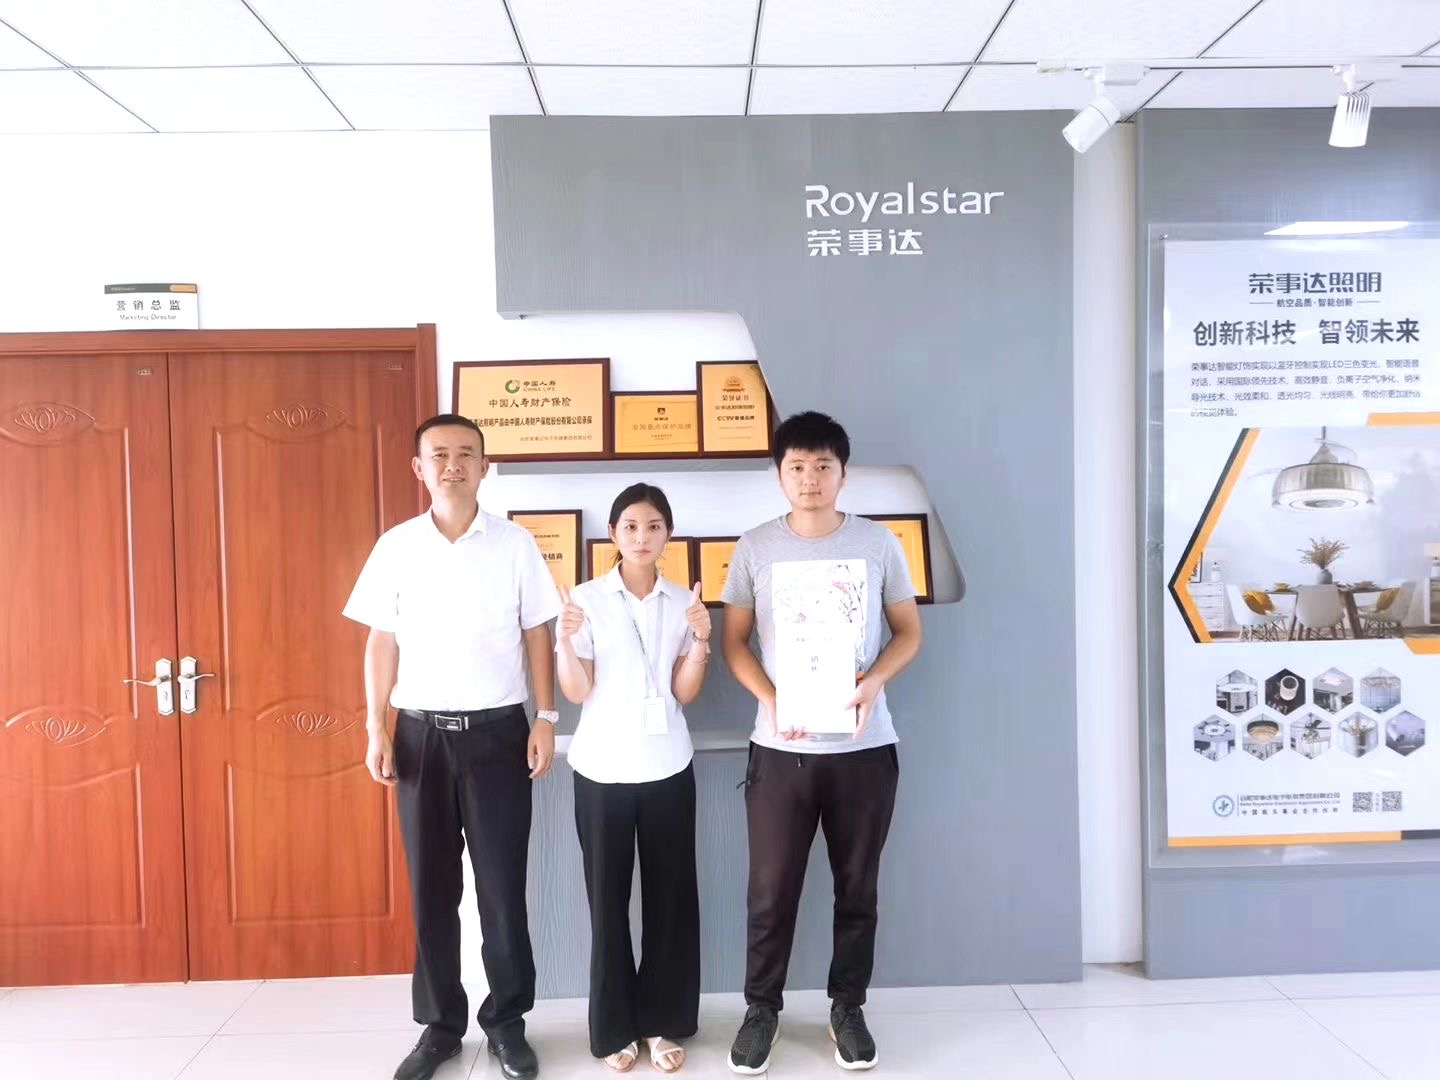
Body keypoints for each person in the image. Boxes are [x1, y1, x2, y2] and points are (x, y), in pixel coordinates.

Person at [342, 414, 561, 1080]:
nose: (453, 465)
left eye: (466, 454)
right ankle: (439, 1027)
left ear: (485, 467)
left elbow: (537, 633)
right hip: (420, 737)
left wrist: (545, 716)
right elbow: (381, 640)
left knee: (501, 890)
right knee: (432, 889)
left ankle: (507, 1023)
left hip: (499, 736)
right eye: (439, 454)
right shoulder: (397, 546)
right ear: (419, 467)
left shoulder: (516, 545)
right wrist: (376, 725)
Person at [721, 412, 939, 1074]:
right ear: (779, 475)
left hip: (863, 749)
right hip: (779, 749)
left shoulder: (877, 543)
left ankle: (847, 1008)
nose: (810, 478)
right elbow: (734, 642)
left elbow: (908, 632)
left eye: (823, 466)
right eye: (797, 466)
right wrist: (770, 698)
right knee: (770, 891)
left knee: (857, 888)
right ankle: (761, 1010)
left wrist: (873, 682)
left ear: (843, 473)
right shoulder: (755, 546)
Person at [555, 483, 710, 1074]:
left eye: (653, 526)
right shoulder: (586, 599)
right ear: (613, 534)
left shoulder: (683, 601)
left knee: (671, 901)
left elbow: (684, 693)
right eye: (630, 527)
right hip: (602, 769)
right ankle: (615, 1027)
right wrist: (564, 640)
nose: (641, 537)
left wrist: (701, 640)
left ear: (668, 534)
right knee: (608, 904)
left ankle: (663, 1022)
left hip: (668, 766)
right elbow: (577, 691)